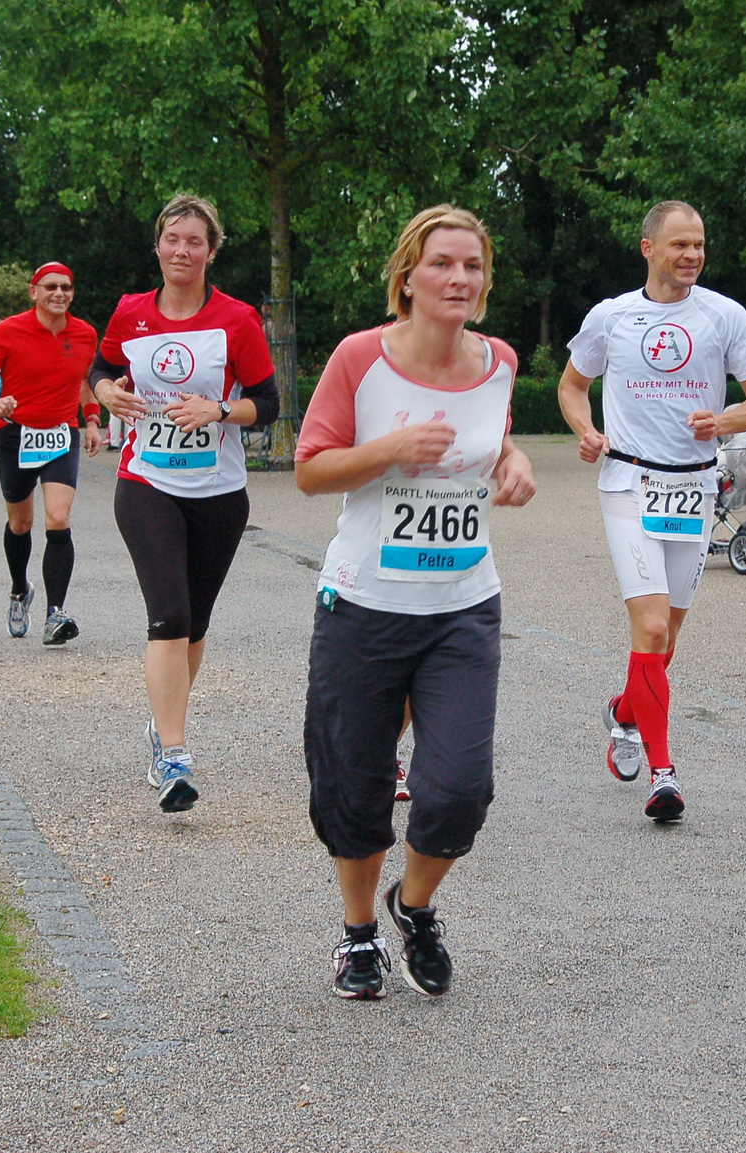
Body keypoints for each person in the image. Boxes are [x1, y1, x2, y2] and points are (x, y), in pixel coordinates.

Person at [296, 205, 536, 1000]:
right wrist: (388, 451)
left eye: (472, 265)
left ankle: (416, 903)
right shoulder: (362, 358)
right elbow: (310, 467)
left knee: (459, 787)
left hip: (464, 604)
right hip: (365, 603)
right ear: (407, 275)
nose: (458, 278)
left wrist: (514, 461)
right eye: (442, 263)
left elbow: (488, 436)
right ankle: (359, 932)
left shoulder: (498, 359)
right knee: (353, 782)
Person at [556, 200, 746, 823]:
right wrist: (586, 429)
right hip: (628, 482)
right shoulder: (612, 317)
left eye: (700, 244)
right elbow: (572, 387)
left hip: (695, 489)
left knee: (666, 638)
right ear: (648, 248)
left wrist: (724, 420)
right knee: (651, 627)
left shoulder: (723, 316)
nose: (693, 255)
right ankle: (663, 773)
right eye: (680, 244)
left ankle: (626, 711)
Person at [90, 196, 279, 812]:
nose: (182, 250)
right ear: (158, 245)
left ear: (211, 250)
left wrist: (217, 410)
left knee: (194, 623)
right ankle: (173, 756)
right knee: (168, 615)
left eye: (194, 241)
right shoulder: (131, 312)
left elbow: (268, 404)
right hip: (146, 482)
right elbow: (102, 366)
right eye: (173, 238)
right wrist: (105, 394)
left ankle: (160, 723)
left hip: (219, 495)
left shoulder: (237, 319)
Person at [0, 262, 102, 644]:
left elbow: (85, 382)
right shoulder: (9, 331)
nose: (59, 294)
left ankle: (54, 614)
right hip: (15, 434)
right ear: (34, 292)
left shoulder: (85, 334)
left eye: (66, 287)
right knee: (20, 524)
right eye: (51, 287)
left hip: (61, 434)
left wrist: (91, 421)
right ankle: (19, 589)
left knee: (58, 517)